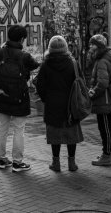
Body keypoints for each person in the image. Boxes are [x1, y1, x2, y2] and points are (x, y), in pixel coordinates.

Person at [0, 24, 39, 172]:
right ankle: (17, 162)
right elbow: (35, 66)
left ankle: (1, 159)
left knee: (2, 127)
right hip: (19, 96)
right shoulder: (25, 56)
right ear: (22, 39)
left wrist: (0, 50)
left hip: (1, 94)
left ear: (8, 37)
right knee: (19, 129)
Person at [35, 35, 84, 172]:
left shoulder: (45, 64)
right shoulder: (73, 63)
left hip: (52, 104)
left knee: (55, 134)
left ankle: (55, 163)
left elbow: (40, 85)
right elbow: (80, 81)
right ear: (65, 48)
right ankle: (71, 163)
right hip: (71, 104)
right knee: (71, 133)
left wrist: (46, 98)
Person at [88, 34, 111, 166]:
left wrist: (93, 92)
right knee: (107, 127)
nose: (90, 47)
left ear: (99, 46)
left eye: (93, 44)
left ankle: (106, 155)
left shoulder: (102, 61)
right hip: (107, 99)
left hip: (104, 100)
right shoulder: (106, 58)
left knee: (104, 128)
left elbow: (102, 83)